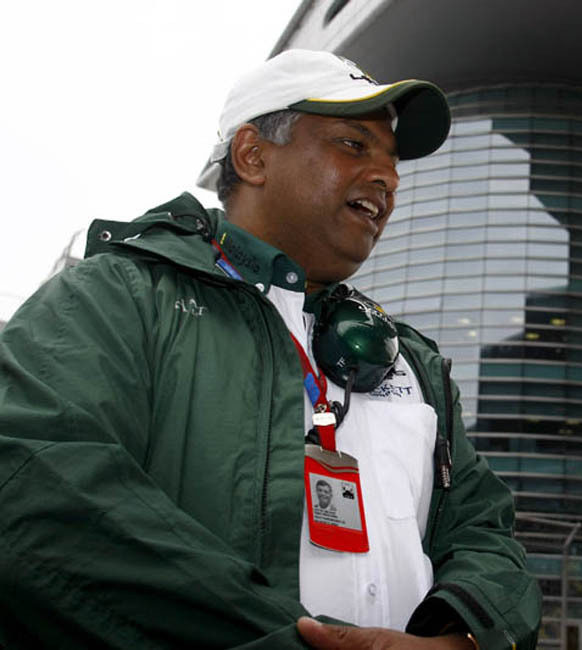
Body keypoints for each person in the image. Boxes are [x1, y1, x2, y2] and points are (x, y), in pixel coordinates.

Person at [0, 49, 540, 649]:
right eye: (354, 146)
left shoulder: (414, 360)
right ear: (253, 155)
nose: (387, 177)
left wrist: (463, 638)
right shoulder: (119, 296)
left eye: (392, 160)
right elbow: (34, 493)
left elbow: (484, 531)